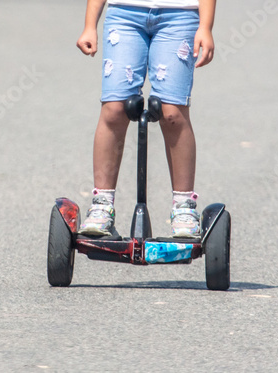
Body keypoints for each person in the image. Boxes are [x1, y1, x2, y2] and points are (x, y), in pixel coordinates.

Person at [76, 0, 216, 238]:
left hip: (180, 16)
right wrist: (90, 25)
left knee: (173, 113)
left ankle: (184, 207)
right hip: (125, 14)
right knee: (114, 109)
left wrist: (206, 26)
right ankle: (102, 203)